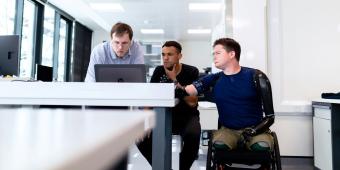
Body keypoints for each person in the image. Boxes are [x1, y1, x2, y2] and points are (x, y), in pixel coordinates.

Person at [181, 37, 274, 152]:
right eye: (213, 53)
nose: (214, 56)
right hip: (228, 130)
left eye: (218, 53)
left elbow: (270, 118)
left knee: (261, 147)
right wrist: (175, 85)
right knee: (219, 145)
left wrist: (254, 131)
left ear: (232, 54)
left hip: (256, 130)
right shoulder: (214, 78)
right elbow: (187, 90)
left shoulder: (257, 76)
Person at [137, 41, 201, 170]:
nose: (165, 58)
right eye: (163, 54)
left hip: (186, 117)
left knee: (193, 135)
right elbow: (150, 97)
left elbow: (192, 102)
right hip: (163, 116)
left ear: (179, 56)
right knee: (140, 138)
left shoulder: (192, 71)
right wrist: (146, 118)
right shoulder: (159, 70)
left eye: (170, 54)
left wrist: (176, 83)